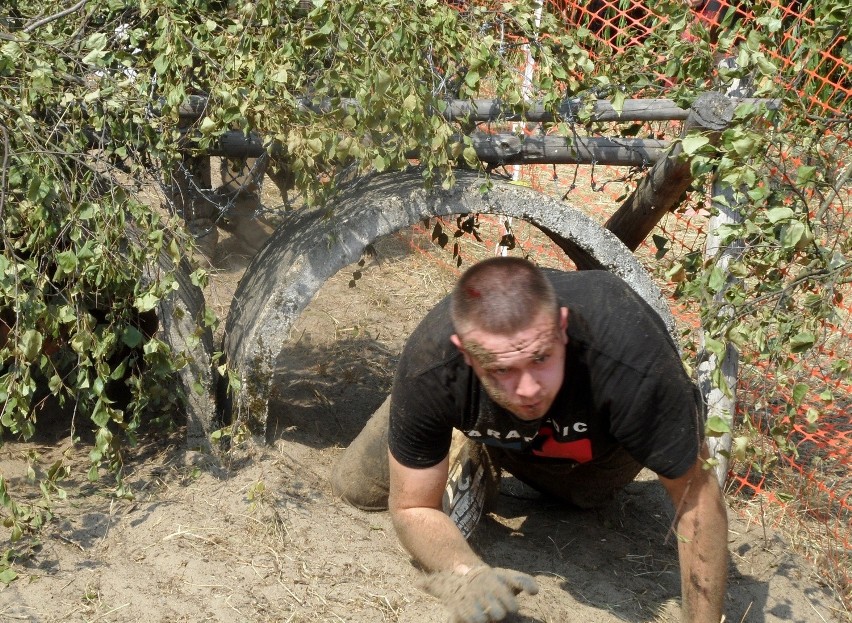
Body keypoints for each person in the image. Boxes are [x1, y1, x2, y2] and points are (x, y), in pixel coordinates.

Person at [331, 256, 727, 623]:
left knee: (583, 500)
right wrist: (467, 574)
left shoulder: (630, 358)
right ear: (466, 354)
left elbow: (697, 498)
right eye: (502, 369)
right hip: (475, 411)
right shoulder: (432, 364)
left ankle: (478, 446)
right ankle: (466, 440)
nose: (528, 389)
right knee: (356, 487)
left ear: (563, 328)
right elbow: (412, 506)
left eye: (541, 358)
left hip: (586, 454)